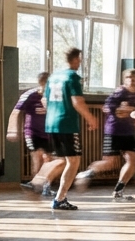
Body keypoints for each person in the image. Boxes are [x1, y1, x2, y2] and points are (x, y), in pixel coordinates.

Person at [38, 48, 97, 211]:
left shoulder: (53, 77)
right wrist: (91, 118)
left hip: (51, 123)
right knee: (74, 160)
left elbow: (44, 100)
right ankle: (59, 197)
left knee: (62, 159)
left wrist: (53, 113)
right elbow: (77, 102)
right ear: (76, 59)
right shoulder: (72, 77)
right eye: (80, 60)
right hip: (67, 124)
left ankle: (41, 181)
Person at [76, 68, 135, 200]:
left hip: (128, 133)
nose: (132, 80)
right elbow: (107, 107)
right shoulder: (119, 92)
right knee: (110, 162)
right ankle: (86, 174)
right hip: (114, 131)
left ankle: (119, 190)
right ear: (124, 80)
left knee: (133, 159)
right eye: (129, 78)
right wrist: (123, 110)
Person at [8, 71, 58, 198]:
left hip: (48, 133)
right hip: (32, 132)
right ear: (40, 83)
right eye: (45, 83)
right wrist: (12, 130)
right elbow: (15, 112)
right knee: (38, 158)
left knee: (49, 160)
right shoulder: (29, 95)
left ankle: (45, 186)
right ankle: (35, 186)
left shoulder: (54, 95)